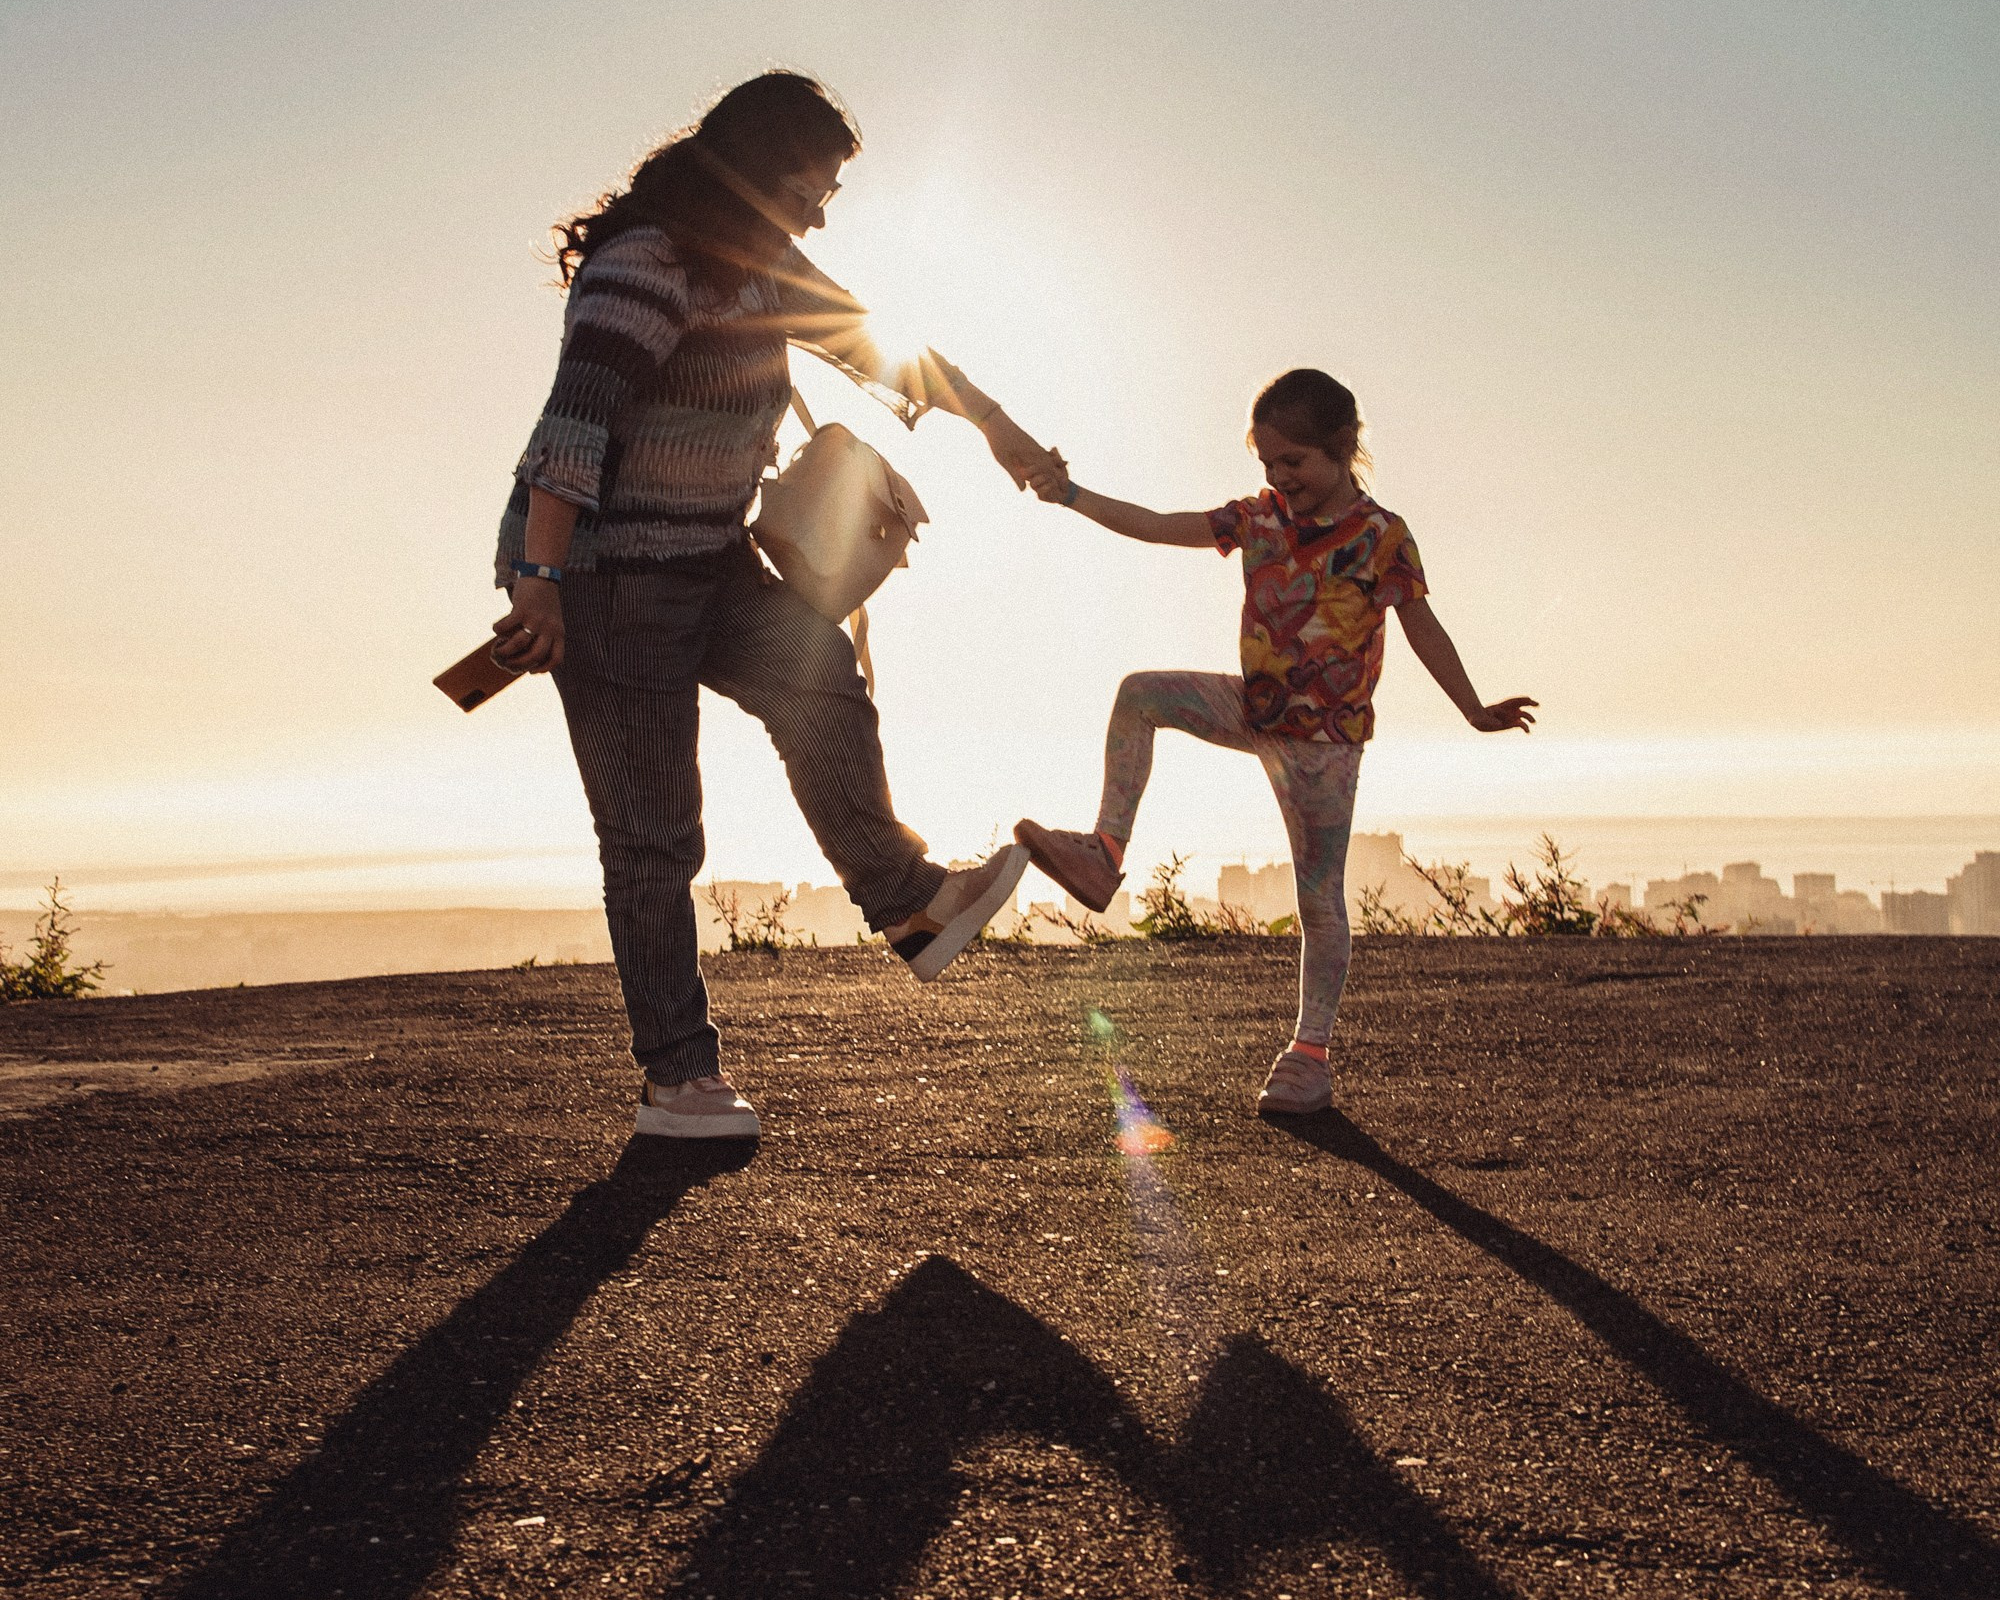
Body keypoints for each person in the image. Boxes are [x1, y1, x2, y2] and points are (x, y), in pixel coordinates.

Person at [491, 70, 1050, 1145]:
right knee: (655, 835)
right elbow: (572, 433)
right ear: (752, 174)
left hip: (709, 561)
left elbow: (879, 345)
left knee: (822, 684)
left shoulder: (761, 270)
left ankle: (906, 903)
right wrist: (541, 585)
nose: (822, 208)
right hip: (608, 583)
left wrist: (995, 426)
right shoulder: (641, 269)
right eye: (811, 184)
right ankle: (676, 1080)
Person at [1013, 366, 1536, 1116]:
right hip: (1255, 710)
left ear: (1345, 447)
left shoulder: (1381, 537)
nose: (1279, 478)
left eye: (1294, 462)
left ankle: (1310, 1056)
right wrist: (1071, 495)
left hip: (1325, 744)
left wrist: (1473, 708)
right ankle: (1104, 854)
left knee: (1318, 898)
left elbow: (1422, 625)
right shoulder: (1256, 519)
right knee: (1141, 694)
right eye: (1266, 464)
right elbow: (1160, 525)